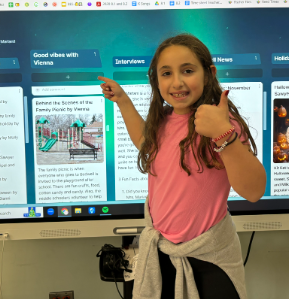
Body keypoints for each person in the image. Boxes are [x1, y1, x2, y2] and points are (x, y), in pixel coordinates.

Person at [99, 34, 266, 299]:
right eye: (166, 73)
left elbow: (254, 190)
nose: (177, 82)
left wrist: (223, 134)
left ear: (209, 73)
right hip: (163, 253)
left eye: (187, 71)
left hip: (209, 260)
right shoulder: (163, 119)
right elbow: (145, 142)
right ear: (156, 79)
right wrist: (123, 101)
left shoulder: (221, 123)